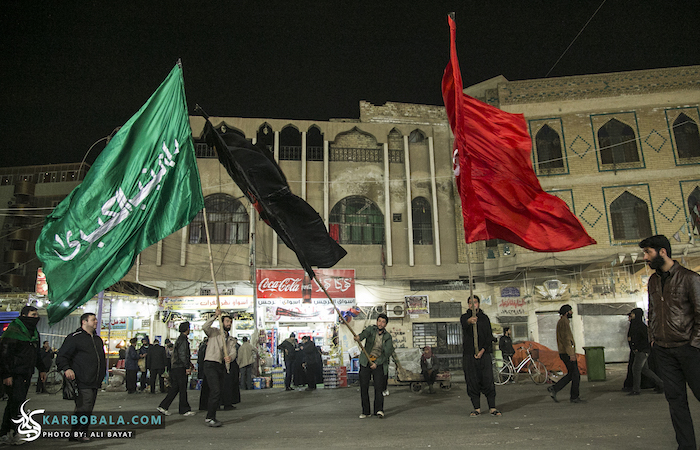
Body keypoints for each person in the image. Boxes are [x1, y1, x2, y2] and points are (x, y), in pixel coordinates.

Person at [640, 235, 700, 450]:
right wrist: (653, 339)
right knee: (676, 402)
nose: (645, 257)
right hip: (664, 350)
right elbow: (653, 311)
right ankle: (686, 446)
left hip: (689, 349)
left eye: (648, 252)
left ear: (662, 251)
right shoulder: (653, 281)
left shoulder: (689, 278)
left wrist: (694, 343)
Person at [56, 312, 107, 443]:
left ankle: (78, 432)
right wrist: (67, 368)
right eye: (93, 320)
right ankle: (78, 433)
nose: (96, 322)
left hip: (95, 381)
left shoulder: (97, 339)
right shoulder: (75, 338)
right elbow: (62, 356)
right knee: (84, 406)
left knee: (87, 408)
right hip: (81, 379)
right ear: (84, 322)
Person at [0, 306, 47, 445]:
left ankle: (4, 432)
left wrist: (42, 369)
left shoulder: (33, 333)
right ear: (24, 315)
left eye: (36, 315)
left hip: (26, 372)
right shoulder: (14, 331)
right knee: (17, 403)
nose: (36, 317)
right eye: (33, 315)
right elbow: (4, 355)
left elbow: (36, 353)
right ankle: (15, 432)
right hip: (14, 374)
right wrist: (6, 374)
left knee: (14, 403)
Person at [461, 295, 501, 417]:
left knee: (488, 380)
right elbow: (464, 323)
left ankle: (492, 407)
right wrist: (470, 321)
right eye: (470, 303)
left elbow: (488, 337)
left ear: (479, 303)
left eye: (475, 302)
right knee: (472, 381)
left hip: (484, 354)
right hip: (470, 355)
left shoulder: (484, 318)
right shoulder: (465, 317)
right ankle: (476, 408)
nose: (473, 305)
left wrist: (482, 350)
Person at [355, 313, 394, 419]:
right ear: (377, 322)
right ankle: (366, 411)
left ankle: (379, 410)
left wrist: (376, 363)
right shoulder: (371, 330)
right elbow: (364, 334)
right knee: (364, 387)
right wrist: (359, 337)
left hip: (379, 363)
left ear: (386, 324)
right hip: (365, 361)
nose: (380, 323)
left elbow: (387, 353)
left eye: (383, 322)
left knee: (378, 387)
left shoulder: (387, 337)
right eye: (379, 321)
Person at [202, 310, 236, 427]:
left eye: (230, 322)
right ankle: (209, 417)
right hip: (210, 363)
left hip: (220, 366)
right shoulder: (214, 332)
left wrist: (230, 358)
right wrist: (214, 317)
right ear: (221, 322)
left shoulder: (231, 339)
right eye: (227, 321)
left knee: (217, 391)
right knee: (215, 390)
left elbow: (233, 352)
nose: (229, 324)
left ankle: (211, 416)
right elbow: (204, 327)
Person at [158, 322, 196, 416]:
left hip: (176, 367)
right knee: (182, 388)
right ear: (187, 329)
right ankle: (184, 409)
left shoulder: (179, 339)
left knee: (175, 388)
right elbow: (183, 354)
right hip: (180, 367)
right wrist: (187, 366)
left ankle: (163, 406)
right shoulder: (183, 340)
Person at [547, 304, 583, 404]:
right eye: (571, 311)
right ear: (567, 312)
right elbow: (567, 339)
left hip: (565, 352)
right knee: (576, 375)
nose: (572, 313)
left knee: (572, 374)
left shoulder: (563, 322)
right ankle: (574, 397)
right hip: (567, 353)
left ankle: (554, 388)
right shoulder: (564, 322)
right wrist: (571, 354)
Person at [626, 307, 664, 396]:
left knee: (636, 369)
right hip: (640, 351)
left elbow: (645, 339)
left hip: (642, 351)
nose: (631, 316)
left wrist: (637, 348)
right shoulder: (634, 326)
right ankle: (661, 384)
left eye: (632, 314)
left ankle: (636, 390)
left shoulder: (641, 327)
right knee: (645, 370)